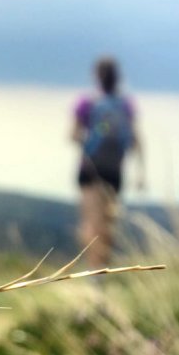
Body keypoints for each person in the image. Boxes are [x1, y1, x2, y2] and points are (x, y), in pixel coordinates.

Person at [71, 56, 145, 268]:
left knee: (91, 223)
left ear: (96, 76)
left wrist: (88, 141)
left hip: (90, 169)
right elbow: (136, 139)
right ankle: (101, 273)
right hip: (115, 171)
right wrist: (141, 172)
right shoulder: (126, 105)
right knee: (107, 225)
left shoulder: (86, 103)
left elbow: (73, 135)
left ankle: (93, 272)